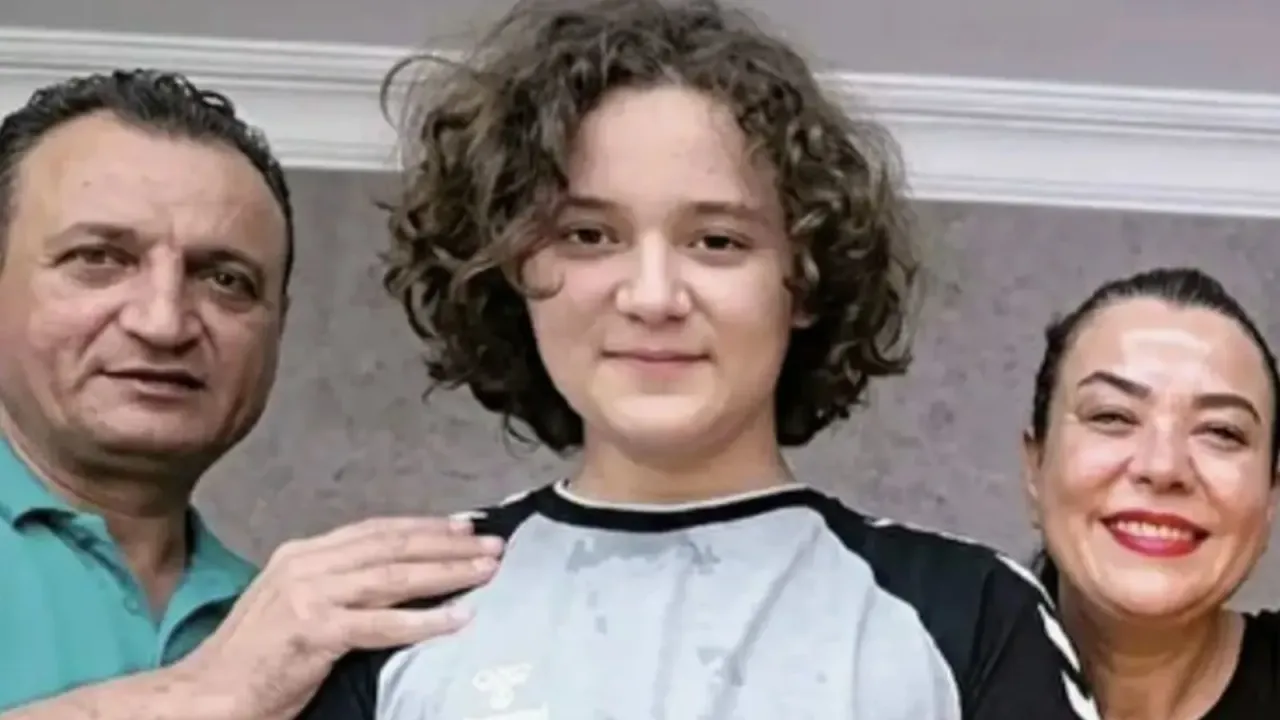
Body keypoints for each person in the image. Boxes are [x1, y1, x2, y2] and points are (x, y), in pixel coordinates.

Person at [296, 1, 1100, 718]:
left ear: (806, 280)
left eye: (717, 241)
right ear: (511, 267)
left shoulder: (970, 614)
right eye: (589, 235)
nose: (652, 296)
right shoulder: (396, 610)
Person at [0, 70, 502, 719]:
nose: (164, 322)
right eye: (100, 258)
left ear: (277, 328)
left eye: (225, 280)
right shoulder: (252, 660)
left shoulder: (286, 629)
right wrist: (195, 696)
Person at [1022, 266, 1280, 719]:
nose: (1163, 468)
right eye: (1112, 416)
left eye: (1221, 431)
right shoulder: (925, 682)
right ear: (1035, 466)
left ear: (1272, 495)